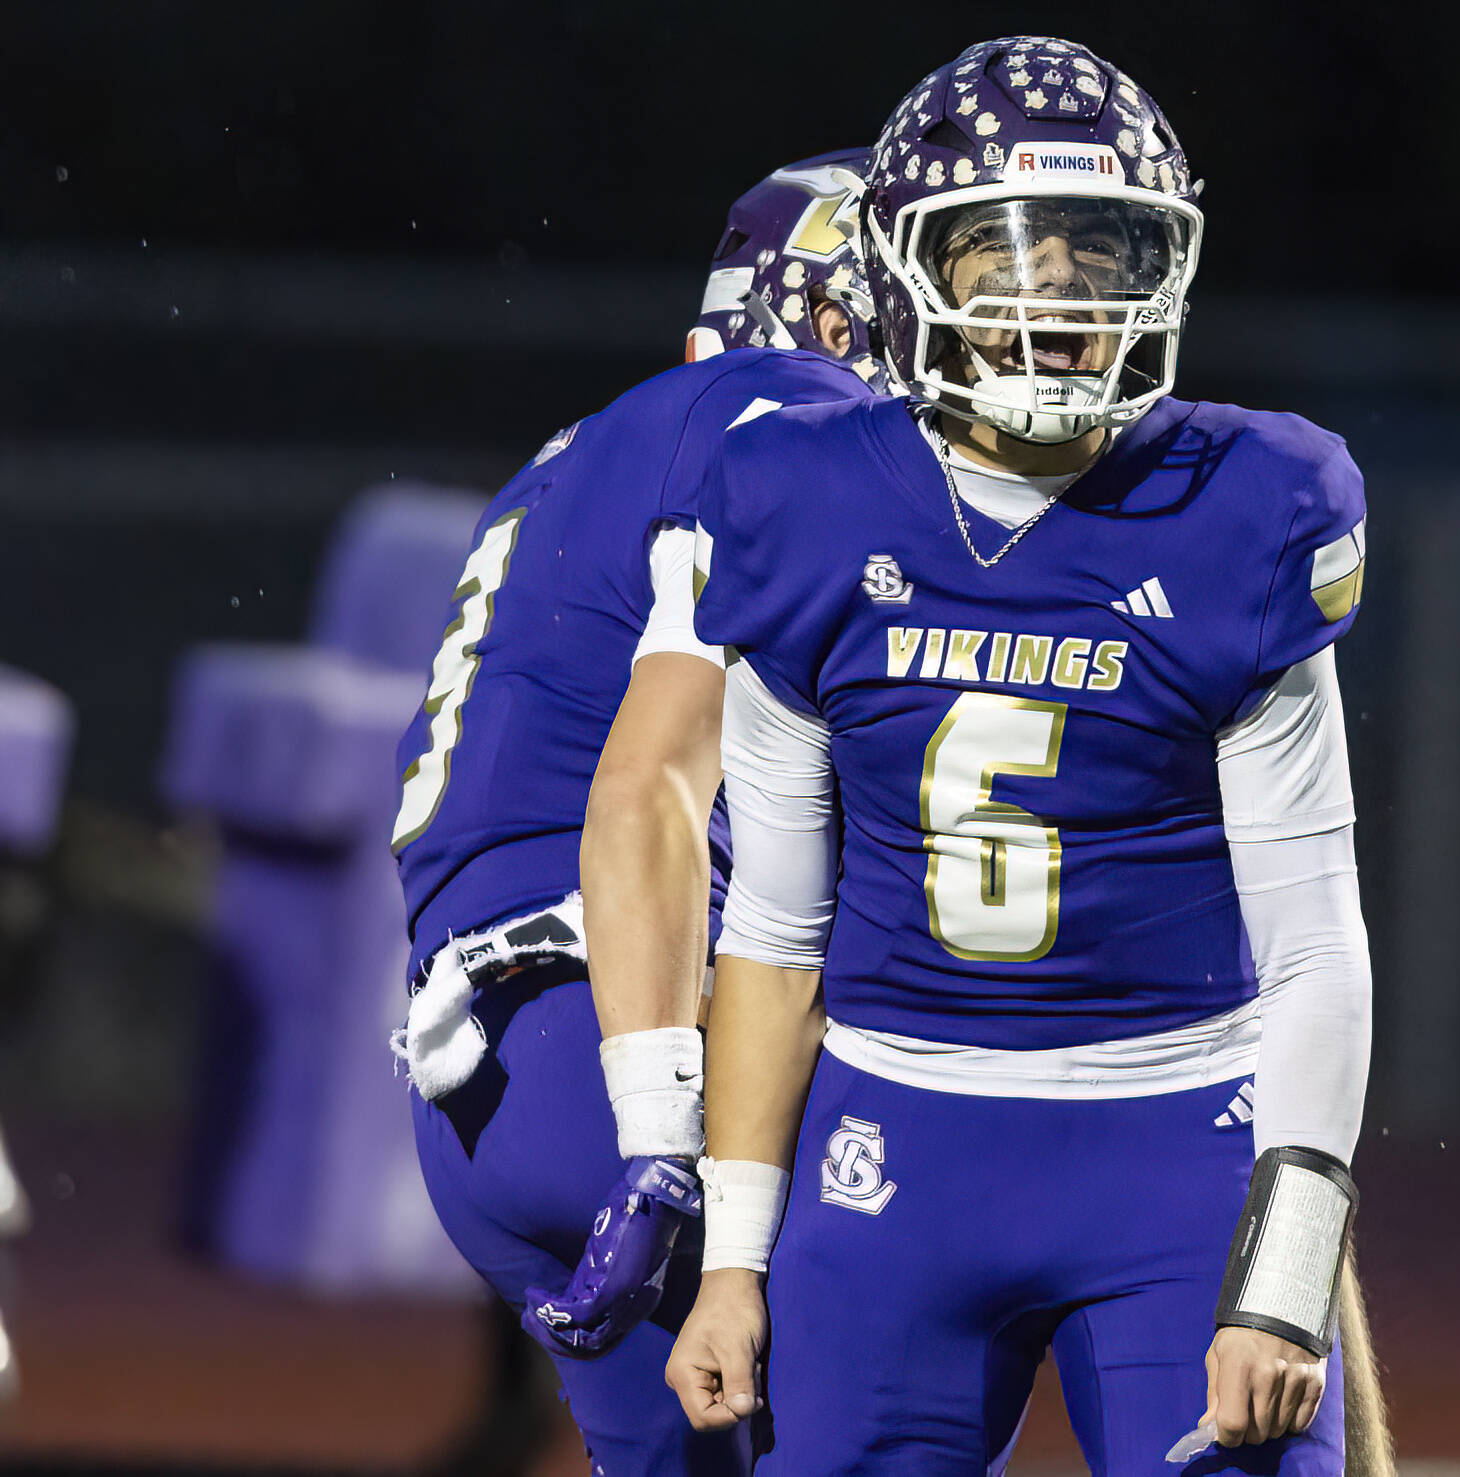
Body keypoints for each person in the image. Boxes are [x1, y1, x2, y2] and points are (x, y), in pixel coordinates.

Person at [672, 37, 1390, 1477]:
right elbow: (771, 928)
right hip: (895, 1147)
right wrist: (735, 1252)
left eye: (1101, 251)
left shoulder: (1243, 508)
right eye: (1008, 250)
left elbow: (1314, 941)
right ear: (904, 265)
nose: (1059, 300)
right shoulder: (804, 500)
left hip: (1176, 1137)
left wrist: (1284, 1270)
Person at [389, 151, 882, 1477]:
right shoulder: (786, 416)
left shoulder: (577, 457)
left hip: (482, 1080)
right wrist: (662, 1129)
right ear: (838, 320)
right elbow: (655, 786)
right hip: (626, 1032)